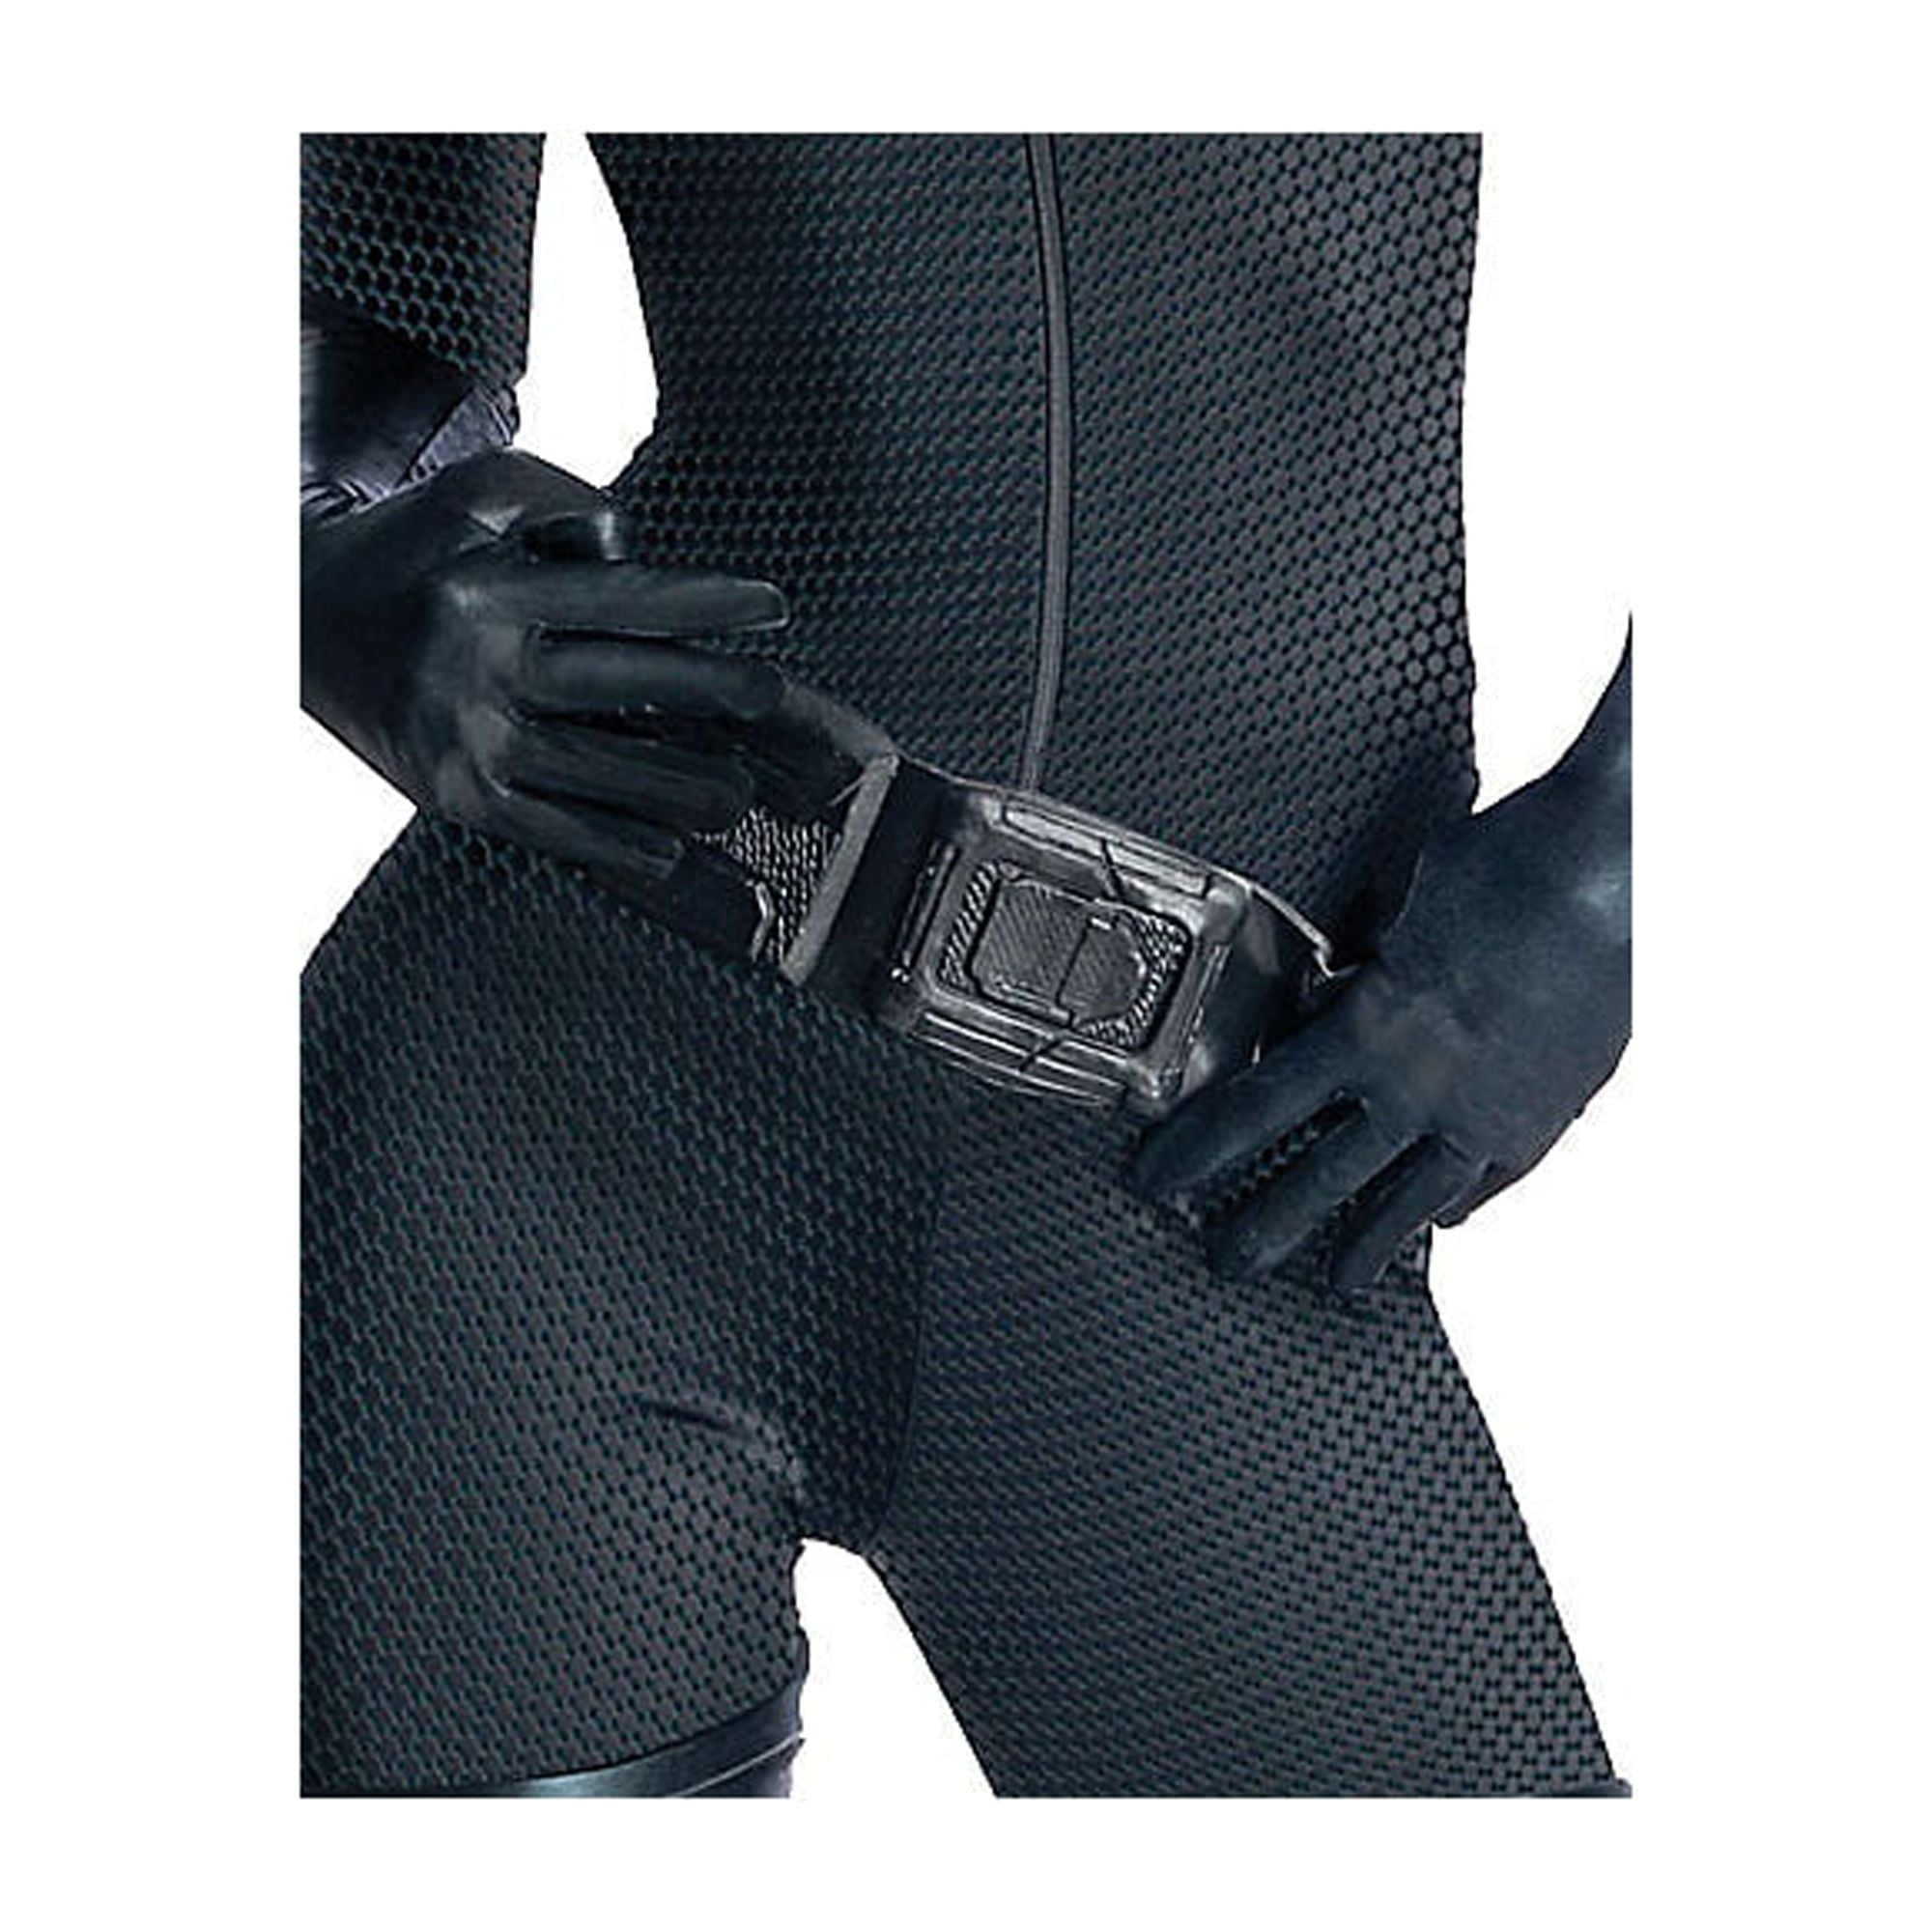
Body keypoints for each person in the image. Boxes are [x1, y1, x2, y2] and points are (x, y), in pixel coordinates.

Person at [300, 133, 1631, 1797]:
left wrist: (1623, 865)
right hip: (533, 1121)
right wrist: (326, 578)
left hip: (1219, 1160)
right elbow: (348, 302)